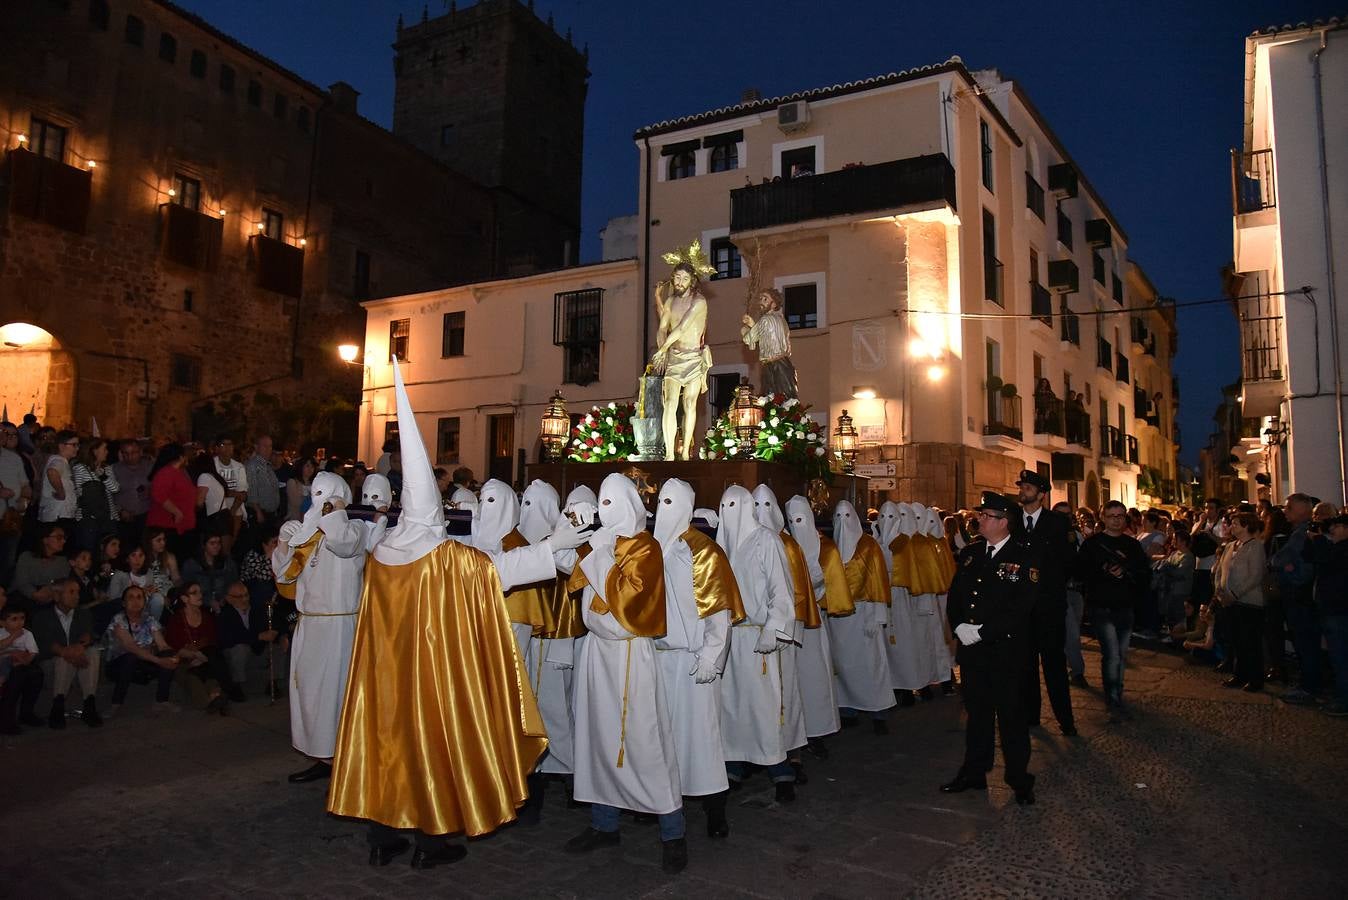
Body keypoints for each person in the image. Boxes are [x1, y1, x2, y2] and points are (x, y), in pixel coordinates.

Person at [328, 358, 575, 869]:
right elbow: (497, 572)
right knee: (429, 749)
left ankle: (381, 838)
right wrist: (554, 547)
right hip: (428, 677)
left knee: (385, 747)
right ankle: (430, 842)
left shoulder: (382, 555)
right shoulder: (444, 558)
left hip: (383, 678)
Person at [566, 473, 686, 873]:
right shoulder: (602, 541)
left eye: (611, 502)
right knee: (597, 737)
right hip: (597, 654)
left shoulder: (644, 548)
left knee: (645, 740)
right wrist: (570, 531)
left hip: (631, 654)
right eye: (601, 502)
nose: (604, 510)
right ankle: (604, 824)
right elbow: (569, 569)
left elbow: (631, 602)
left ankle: (672, 831)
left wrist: (597, 552)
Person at [654, 477, 741, 839]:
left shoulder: (703, 551)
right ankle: (660, 802)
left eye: (671, 502)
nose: (663, 508)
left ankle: (714, 807)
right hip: (657, 658)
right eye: (660, 500)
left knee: (701, 738)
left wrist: (711, 655)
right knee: (659, 737)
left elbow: (718, 609)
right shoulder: (650, 548)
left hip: (692, 663)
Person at [940, 491, 1039, 805]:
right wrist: (958, 626)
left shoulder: (1025, 556)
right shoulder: (971, 553)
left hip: (1006, 651)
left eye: (985, 515)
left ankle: (1019, 779)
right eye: (980, 514)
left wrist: (983, 631)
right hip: (974, 652)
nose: (979, 519)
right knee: (978, 714)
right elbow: (955, 597)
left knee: (1011, 717)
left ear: (1003, 522)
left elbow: (1023, 607)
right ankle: (974, 771)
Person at [272, 472, 369, 784]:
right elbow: (286, 575)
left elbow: (344, 545)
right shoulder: (308, 533)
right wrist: (285, 542)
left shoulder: (354, 527)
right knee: (309, 694)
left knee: (335, 694)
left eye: (327, 494)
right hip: (309, 625)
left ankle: (344, 759)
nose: (321, 501)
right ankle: (322, 756)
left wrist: (337, 513)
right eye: (315, 494)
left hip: (338, 627)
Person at [715, 484, 798, 800]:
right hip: (730, 635)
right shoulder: (723, 545)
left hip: (758, 635)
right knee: (732, 701)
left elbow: (782, 589)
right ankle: (734, 760)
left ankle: (778, 766)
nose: (728, 512)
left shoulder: (766, 540)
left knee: (762, 702)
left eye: (734, 505)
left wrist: (773, 628)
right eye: (724, 506)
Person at [751, 484, 810, 780]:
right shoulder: (743, 539)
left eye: (767, 507)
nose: (761, 513)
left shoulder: (786, 544)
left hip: (780, 635)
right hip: (748, 635)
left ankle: (791, 754)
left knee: (783, 695)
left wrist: (786, 630)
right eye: (755, 507)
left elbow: (795, 591)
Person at [785, 495, 852, 756]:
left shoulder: (827, 549)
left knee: (813, 679)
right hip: (790, 624)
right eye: (793, 521)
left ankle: (817, 730)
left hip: (813, 624)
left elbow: (830, 585)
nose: (797, 524)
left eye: (801, 520)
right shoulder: (785, 545)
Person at [1011, 470, 1077, 737]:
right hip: (1022, 610)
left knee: (1054, 666)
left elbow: (1068, 563)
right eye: (1022, 486)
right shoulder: (1013, 522)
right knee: (1026, 665)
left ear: (1041, 494)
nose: (1023, 491)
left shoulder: (1057, 524)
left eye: (1028, 487)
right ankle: (1031, 716)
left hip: (1049, 607)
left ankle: (1066, 719)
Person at [1076, 500, 1152, 719]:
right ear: (1104, 518)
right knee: (1111, 654)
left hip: (1125, 606)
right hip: (1101, 606)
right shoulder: (1092, 545)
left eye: (1120, 516)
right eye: (1112, 516)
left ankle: (1117, 690)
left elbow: (1144, 575)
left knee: (1120, 653)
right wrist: (1104, 571)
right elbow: (1081, 573)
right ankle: (1113, 697)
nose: (1117, 520)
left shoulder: (1133, 545)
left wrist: (1126, 573)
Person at [830, 500, 895, 733]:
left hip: (864, 614)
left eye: (846, 516)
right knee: (844, 665)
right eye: (837, 516)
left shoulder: (868, 546)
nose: (842, 521)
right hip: (840, 618)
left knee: (871, 664)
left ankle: (879, 711)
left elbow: (878, 581)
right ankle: (848, 708)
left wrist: (876, 616)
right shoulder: (832, 547)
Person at [650, 262, 711, 460]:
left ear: (692, 280)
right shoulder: (670, 301)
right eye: (677, 277)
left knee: (690, 403)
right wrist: (663, 350)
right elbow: (663, 327)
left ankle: (685, 453)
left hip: (693, 357)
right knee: (669, 402)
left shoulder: (699, 302)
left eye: (685, 278)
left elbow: (683, 328)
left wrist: (663, 349)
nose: (680, 282)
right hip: (674, 357)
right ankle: (669, 454)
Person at [30, 576, 103, 728]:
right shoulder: (41, 617)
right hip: (52, 664)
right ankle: (58, 704)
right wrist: (68, 652)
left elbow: (87, 635)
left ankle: (89, 703)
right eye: (71, 592)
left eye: (77, 592)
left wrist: (79, 647)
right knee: (63, 659)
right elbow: (47, 644)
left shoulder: (82, 613)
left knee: (93, 652)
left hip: (78, 659)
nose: (76, 595)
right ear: (56, 596)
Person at [1273, 493, 1321, 705]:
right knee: (1304, 641)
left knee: (1305, 642)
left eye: (1288, 507)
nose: (1285, 511)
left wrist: (1286, 569)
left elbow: (1284, 561)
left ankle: (1309, 687)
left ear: (1299, 509)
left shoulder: (1302, 534)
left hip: (1299, 596)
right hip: (1299, 595)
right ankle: (1308, 683)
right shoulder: (1299, 532)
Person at [105, 585, 180, 716]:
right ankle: (116, 703)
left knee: (169, 654)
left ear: (145, 602)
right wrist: (159, 660)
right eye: (131, 597)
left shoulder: (149, 619)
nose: (136, 601)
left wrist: (173, 656)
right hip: (118, 665)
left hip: (144, 662)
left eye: (139, 597)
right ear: (123, 603)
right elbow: (131, 647)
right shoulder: (119, 619)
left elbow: (162, 645)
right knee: (130, 657)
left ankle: (161, 700)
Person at [1213, 513, 1266, 692]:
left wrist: (1234, 594)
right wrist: (1219, 590)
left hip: (1248, 602)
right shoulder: (1229, 546)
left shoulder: (1256, 547)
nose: (1231, 527)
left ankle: (1255, 678)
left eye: (1235, 524)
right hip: (1229, 601)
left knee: (1250, 641)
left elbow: (1255, 576)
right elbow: (1220, 570)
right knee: (1235, 640)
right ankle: (1239, 673)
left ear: (1246, 526)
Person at [163, 581, 233, 714]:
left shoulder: (207, 617)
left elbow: (212, 642)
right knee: (193, 678)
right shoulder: (176, 619)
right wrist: (195, 655)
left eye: (200, 592)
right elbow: (174, 647)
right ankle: (209, 702)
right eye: (194, 593)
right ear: (184, 598)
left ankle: (216, 697)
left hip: (205, 659)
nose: (200, 595)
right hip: (183, 662)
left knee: (208, 674)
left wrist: (202, 657)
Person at [1305, 514, 1348, 716]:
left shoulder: (1342, 549)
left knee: (1341, 656)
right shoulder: (1334, 547)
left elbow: (1326, 559)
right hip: (1331, 609)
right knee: (1336, 654)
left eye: (1337, 526)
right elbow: (1312, 557)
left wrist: (1319, 539)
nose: (1332, 530)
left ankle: (1343, 699)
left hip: (1338, 610)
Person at [217, 580, 278, 696]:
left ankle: (273, 682)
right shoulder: (225, 615)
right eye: (239, 596)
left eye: (246, 595)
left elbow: (270, 625)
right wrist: (258, 636)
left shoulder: (257, 610)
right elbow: (230, 638)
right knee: (240, 649)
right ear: (229, 598)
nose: (244, 599)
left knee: (279, 647)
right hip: (236, 650)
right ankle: (236, 685)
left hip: (257, 648)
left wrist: (275, 633)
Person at [1054, 501, 1089, 686]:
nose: (1065, 519)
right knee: (1072, 633)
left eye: (1068, 515)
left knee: (1071, 632)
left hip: (1076, 590)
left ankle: (1070, 666)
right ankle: (1077, 672)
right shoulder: (1049, 536)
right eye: (1061, 515)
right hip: (1060, 590)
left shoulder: (1076, 535)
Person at [739, 288, 797, 398]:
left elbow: (749, 339)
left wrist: (745, 330)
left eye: (765, 299)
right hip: (785, 364)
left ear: (774, 304)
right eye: (760, 299)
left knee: (772, 399)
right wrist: (752, 325)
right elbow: (766, 334)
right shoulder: (781, 319)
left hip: (773, 366)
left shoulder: (765, 319)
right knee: (787, 399)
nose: (761, 302)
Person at [146, 444, 197, 560]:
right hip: (168, 525)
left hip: (180, 526)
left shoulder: (179, 473)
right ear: (181, 457)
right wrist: (176, 512)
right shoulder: (166, 473)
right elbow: (159, 495)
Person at [0, 606, 44, 734]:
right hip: (4, 662)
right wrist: (13, 639)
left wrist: (22, 661)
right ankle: (7, 720)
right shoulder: (2, 633)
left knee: (35, 673)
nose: (20, 622)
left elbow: (32, 652)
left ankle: (26, 713)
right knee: (15, 676)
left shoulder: (27, 634)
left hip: (21, 663)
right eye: (14, 619)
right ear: (2, 622)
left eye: (22, 618)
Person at [71, 437, 120, 553]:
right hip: (88, 518)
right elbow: (78, 492)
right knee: (90, 550)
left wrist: (102, 476)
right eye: (104, 449)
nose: (107, 452)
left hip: (108, 516)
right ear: (94, 451)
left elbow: (115, 488)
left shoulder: (107, 469)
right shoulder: (80, 468)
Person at [8, 523, 72, 610]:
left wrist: (49, 591)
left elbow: (62, 583)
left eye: (64, 538)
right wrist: (35, 594)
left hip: (50, 599)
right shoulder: (26, 556)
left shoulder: (63, 561)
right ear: (45, 540)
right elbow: (21, 582)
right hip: (23, 598)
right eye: (59, 537)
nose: (64, 541)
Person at [0, 423, 33, 588]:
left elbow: (25, 484)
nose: (3, 435)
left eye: (5, 432)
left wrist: (24, 499)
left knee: (7, 562)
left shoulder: (14, 458)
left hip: (10, 518)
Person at [180, 533, 239, 612]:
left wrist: (225, 598)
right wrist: (208, 601)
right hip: (200, 604)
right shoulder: (191, 565)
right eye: (212, 543)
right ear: (203, 545)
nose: (216, 546)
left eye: (218, 543)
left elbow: (233, 583)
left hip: (225, 603)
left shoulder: (228, 563)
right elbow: (187, 588)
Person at [38, 430, 79, 534]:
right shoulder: (59, 461)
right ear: (61, 446)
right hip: (58, 515)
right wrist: (61, 493)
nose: (77, 448)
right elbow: (52, 472)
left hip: (59, 515)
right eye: (74, 445)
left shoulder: (62, 461)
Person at [111, 439, 151, 545]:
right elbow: (108, 495)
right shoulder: (114, 469)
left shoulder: (149, 467)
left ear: (140, 452)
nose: (130, 457)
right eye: (126, 453)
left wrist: (150, 491)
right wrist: (120, 510)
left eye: (134, 453)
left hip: (145, 515)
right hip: (123, 517)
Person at [245, 435, 280, 528]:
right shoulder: (253, 466)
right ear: (256, 447)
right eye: (265, 446)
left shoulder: (267, 465)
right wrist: (258, 511)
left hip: (271, 513)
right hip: (260, 514)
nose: (268, 449)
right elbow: (251, 490)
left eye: (270, 446)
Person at [283, 457, 316, 524]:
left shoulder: (315, 483)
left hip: (311, 521)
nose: (310, 469)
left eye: (312, 467)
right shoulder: (292, 482)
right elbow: (296, 503)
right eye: (307, 466)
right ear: (301, 467)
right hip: (295, 520)